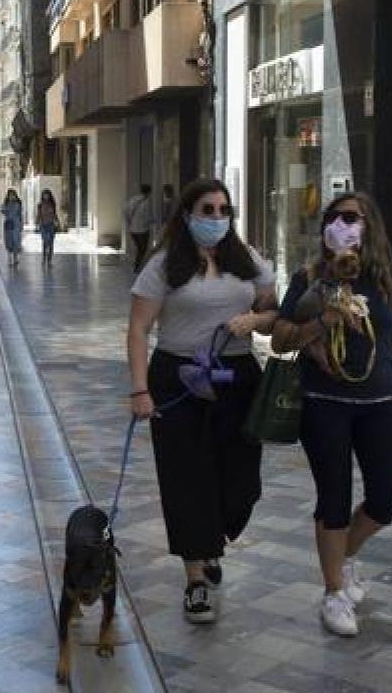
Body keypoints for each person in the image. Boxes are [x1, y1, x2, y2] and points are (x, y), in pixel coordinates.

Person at [271, 192, 392, 638]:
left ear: (370, 227)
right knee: (334, 499)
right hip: (324, 405)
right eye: (334, 218)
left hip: (381, 404)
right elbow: (281, 338)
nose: (341, 225)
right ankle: (333, 592)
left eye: (351, 218)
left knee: (387, 498)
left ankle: (342, 556)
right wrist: (320, 323)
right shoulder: (308, 277)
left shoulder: (388, 279)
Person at [128, 179, 278, 624]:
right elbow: (137, 329)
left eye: (222, 210)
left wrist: (254, 318)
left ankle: (212, 537)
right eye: (206, 210)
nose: (215, 218)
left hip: (238, 378)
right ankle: (196, 578)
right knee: (186, 479)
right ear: (188, 214)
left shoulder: (246, 260)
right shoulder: (163, 264)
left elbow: (275, 313)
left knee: (242, 483)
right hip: (178, 379)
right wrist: (140, 390)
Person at [125, 184, 155, 273]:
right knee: (142, 249)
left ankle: (138, 266)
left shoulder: (133, 199)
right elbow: (147, 217)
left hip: (133, 230)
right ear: (149, 192)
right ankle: (138, 267)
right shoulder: (147, 202)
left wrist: (129, 223)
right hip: (143, 230)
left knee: (139, 249)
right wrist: (153, 220)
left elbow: (125, 211)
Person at [37, 189, 61, 267]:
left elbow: (55, 214)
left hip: (51, 225)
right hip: (43, 225)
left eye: (47, 195)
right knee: (45, 242)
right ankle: (44, 259)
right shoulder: (40, 205)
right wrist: (37, 224)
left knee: (51, 243)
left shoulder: (52, 204)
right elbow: (39, 215)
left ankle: (49, 260)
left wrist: (57, 222)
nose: (46, 196)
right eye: (44, 195)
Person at [2, 189, 24, 266]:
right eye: (10, 195)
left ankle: (15, 258)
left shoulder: (18, 203)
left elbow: (20, 214)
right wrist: (8, 205)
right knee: (9, 241)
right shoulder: (6, 203)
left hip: (16, 224)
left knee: (16, 241)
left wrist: (21, 225)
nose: (11, 196)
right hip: (8, 224)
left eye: (13, 195)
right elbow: (3, 211)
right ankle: (9, 257)